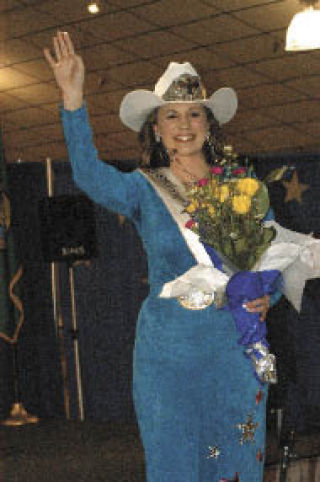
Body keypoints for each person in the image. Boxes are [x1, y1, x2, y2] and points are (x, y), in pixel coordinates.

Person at [44, 31, 279, 482]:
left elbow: (273, 262)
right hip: (167, 353)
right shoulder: (143, 188)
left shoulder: (243, 189)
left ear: (210, 125)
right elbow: (90, 176)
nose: (184, 123)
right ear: (156, 127)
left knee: (232, 459)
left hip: (233, 347)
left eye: (195, 113)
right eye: (172, 114)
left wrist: (270, 299)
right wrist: (72, 99)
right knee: (174, 464)